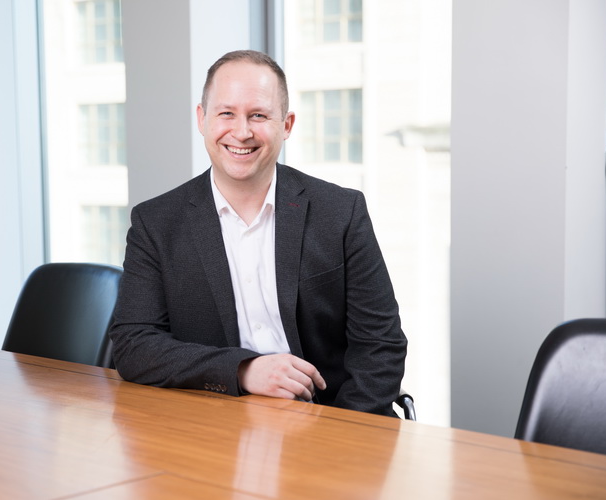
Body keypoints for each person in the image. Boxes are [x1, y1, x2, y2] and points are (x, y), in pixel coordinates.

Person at [109, 50, 407, 417]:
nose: (242, 132)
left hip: (332, 417)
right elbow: (134, 345)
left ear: (287, 124)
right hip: (217, 422)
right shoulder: (156, 222)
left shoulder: (341, 212)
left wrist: (341, 431)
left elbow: (381, 344)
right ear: (202, 119)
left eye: (258, 115)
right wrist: (243, 370)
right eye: (226, 113)